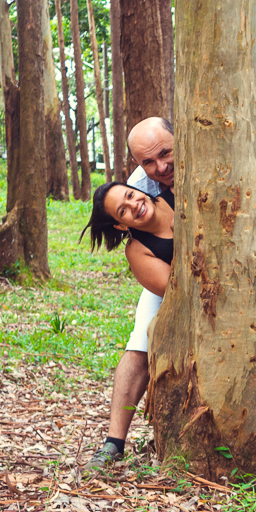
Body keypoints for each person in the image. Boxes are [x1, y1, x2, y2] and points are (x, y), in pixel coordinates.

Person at [84, 118, 175, 471]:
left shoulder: (204, 156)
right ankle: (113, 443)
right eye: (148, 162)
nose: (159, 168)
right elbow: (167, 284)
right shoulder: (141, 187)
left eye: (165, 154)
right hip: (171, 276)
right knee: (139, 344)